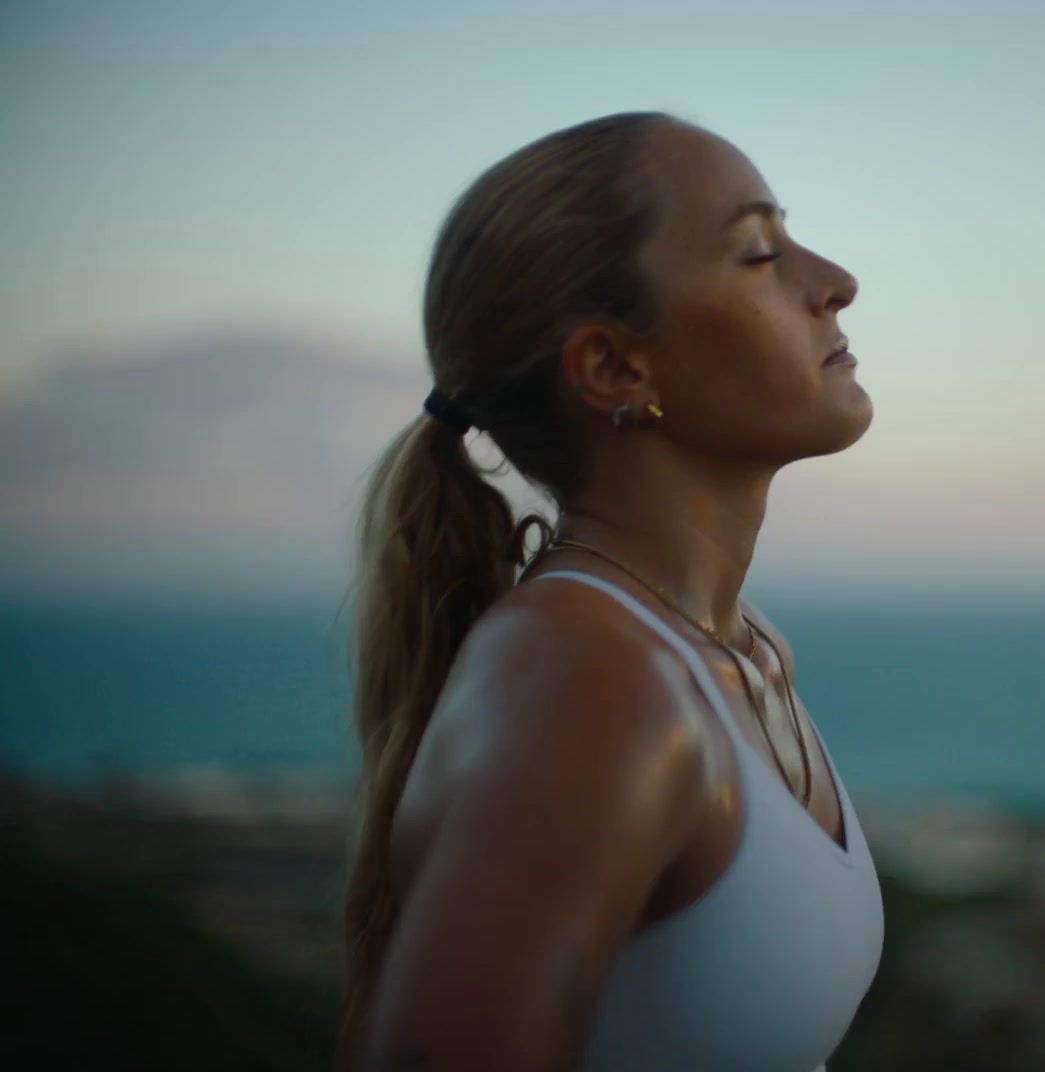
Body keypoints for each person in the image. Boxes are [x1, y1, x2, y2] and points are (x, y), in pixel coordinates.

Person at [340, 111, 884, 1072]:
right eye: (761, 252)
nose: (834, 281)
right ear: (614, 367)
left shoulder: (742, 650)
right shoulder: (588, 684)